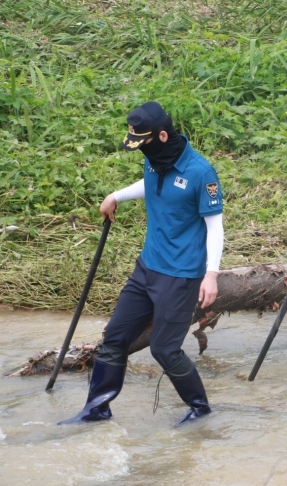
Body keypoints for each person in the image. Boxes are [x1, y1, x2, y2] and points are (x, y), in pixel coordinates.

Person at [59, 101, 225, 426]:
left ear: (162, 135)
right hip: (146, 269)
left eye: (143, 143)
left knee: (164, 349)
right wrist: (116, 195)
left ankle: (200, 409)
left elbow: (215, 226)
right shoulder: (155, 159)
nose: (140, 150)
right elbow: (151, 185)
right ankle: (97, 408)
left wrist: (211, 275)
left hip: (181, 277)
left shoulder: (200, 172)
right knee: (115, 339)